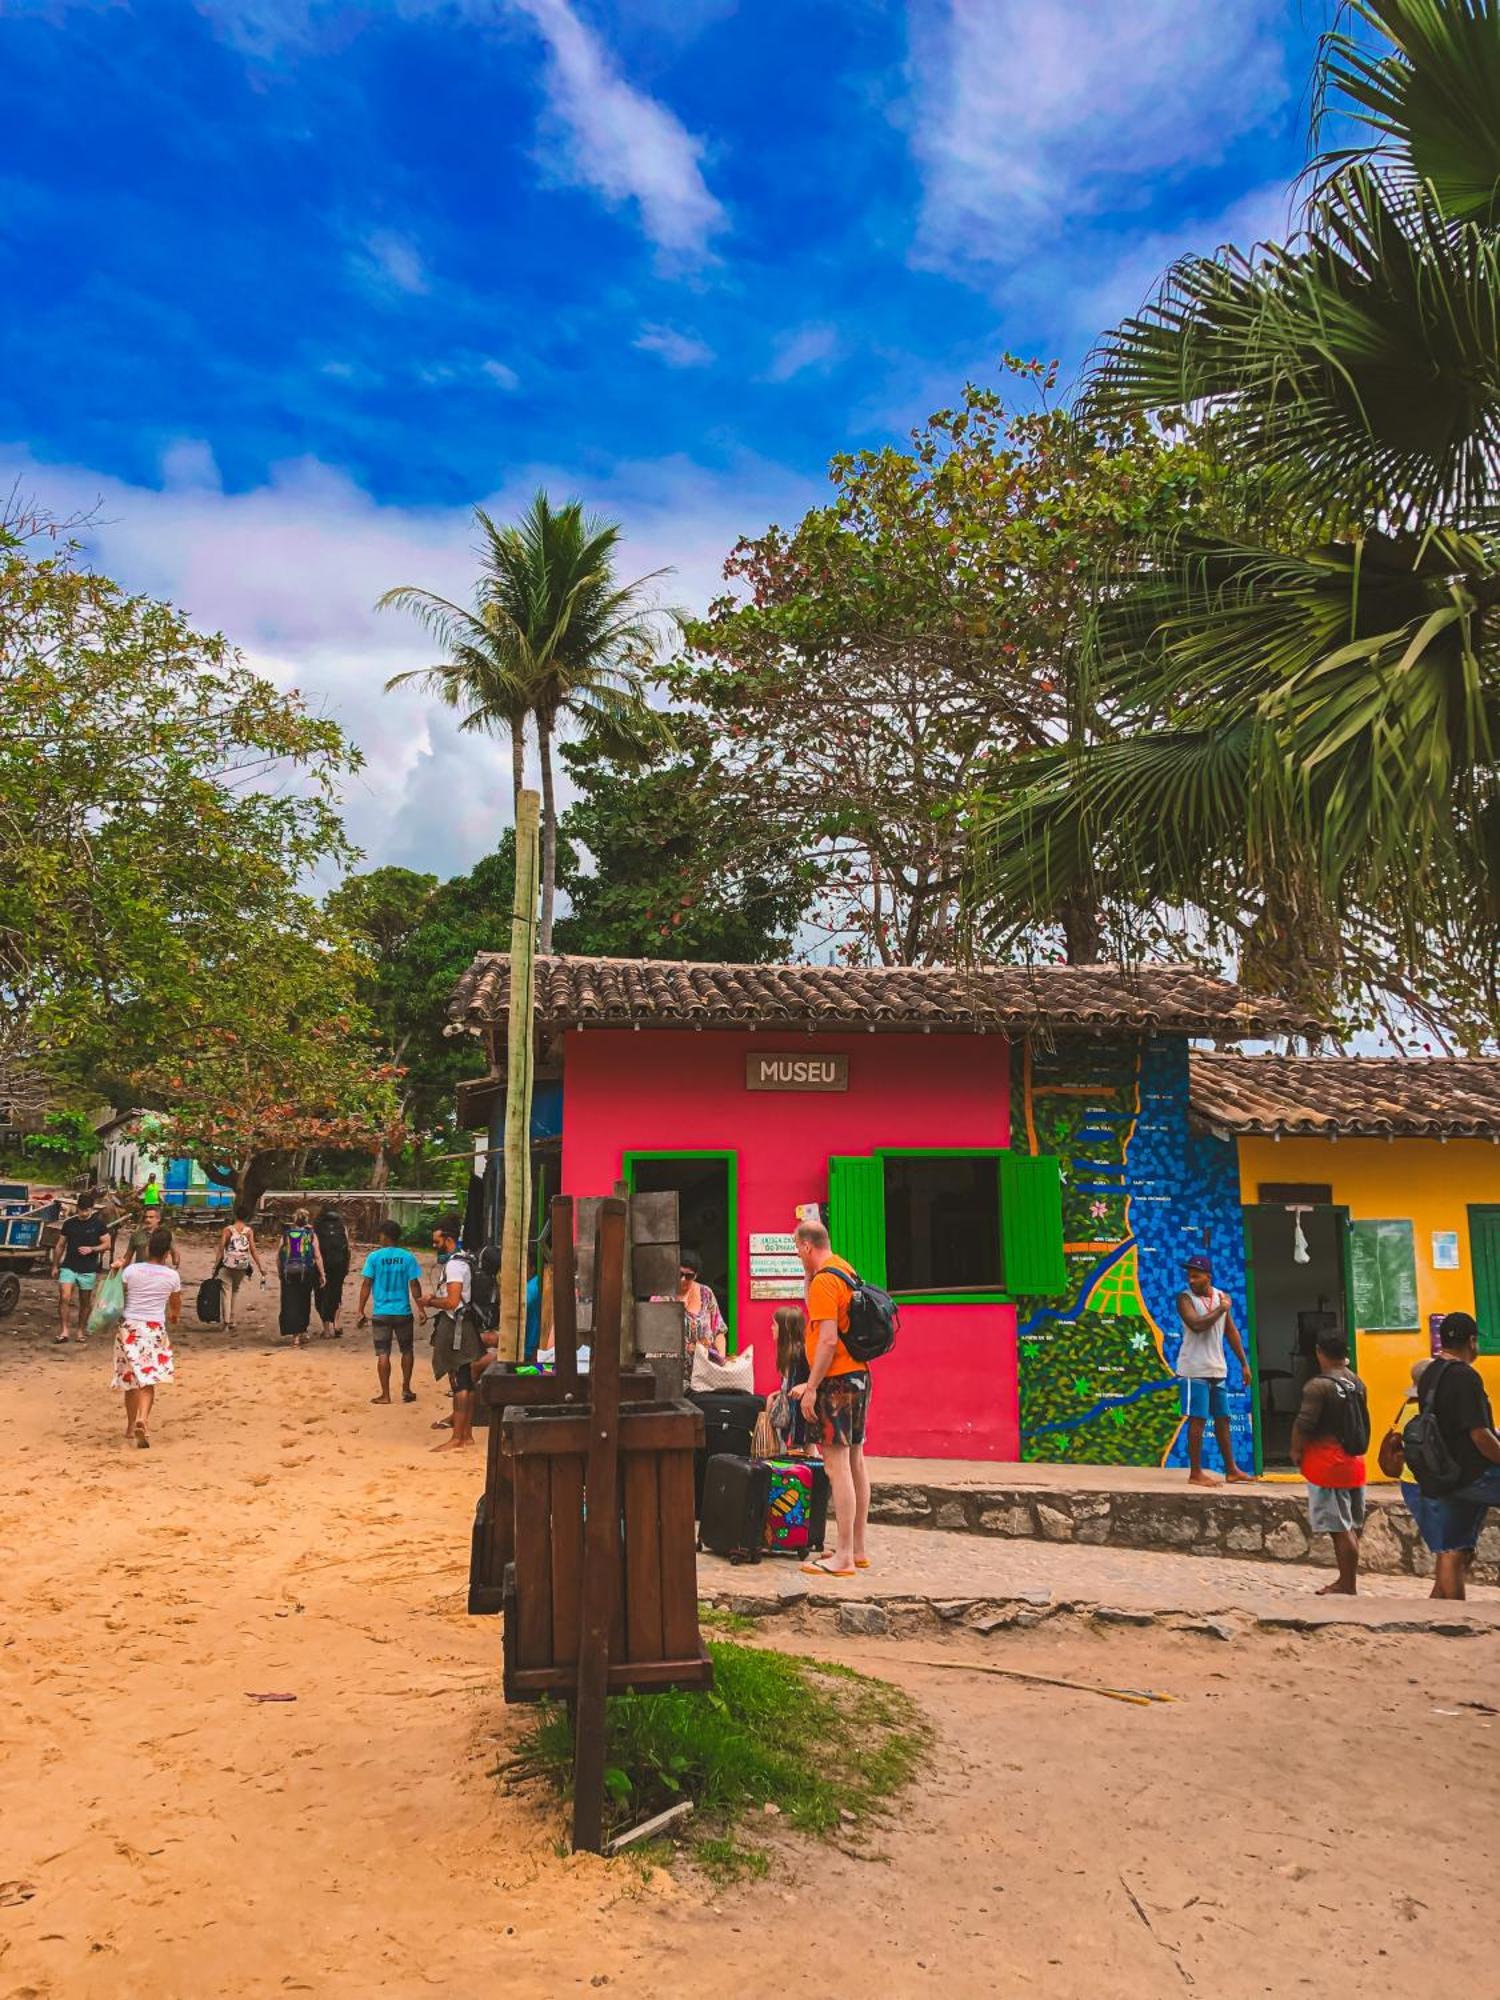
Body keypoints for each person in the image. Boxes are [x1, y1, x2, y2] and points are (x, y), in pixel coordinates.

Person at [792, 1219, 871, 1577]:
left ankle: (841, 1557)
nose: (797, 1256)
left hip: (836, 1382)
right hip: (859, 1375)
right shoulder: (844, 1270)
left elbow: (826, 1340)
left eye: (797, 1250)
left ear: (807, 1247)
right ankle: (857, 1549)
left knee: (836, 1466)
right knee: (856, 1460)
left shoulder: (825, 1281)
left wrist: (811, 1386)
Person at [1404, 1312, 1500, 1600]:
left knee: (1452, 1550)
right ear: (1472, 1341)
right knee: (1454, 1549)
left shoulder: (1430, 1373)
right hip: (1473, 1474)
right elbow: (1480, 1435)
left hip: (1444, 1473)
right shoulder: (1466, 1376)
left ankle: (1449, 1616)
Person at [1289, 1331, 1370, 1595]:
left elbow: (1305, 1423)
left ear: (1319, 1352)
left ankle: (1346, 1584)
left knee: (1340, 1528)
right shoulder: (1357, 1382)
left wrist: (1295, 1450)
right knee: (1350, 1526)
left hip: (1328, 1465)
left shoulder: (1318, 1386)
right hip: (1354, 1462)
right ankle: (1348, 1581)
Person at [1175, 1254, 1254, 1486]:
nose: (1191, 1280)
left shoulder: (1221, 1297)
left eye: (1196, 1276)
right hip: (1193, 1368)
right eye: (1189, 1276)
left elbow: (1230, 1331)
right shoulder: (1184, 1299)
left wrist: (1243, 1363)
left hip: (1217, 1368)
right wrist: (1221, 1309)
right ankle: (1195, 1473)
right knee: (1198, 1420)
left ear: (1208, 1276)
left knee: (1223, 1419)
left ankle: (1231, 1470)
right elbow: (1197, 1325)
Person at [112, 1225, 181, 1448]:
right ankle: (143, 1418)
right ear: (167, 1251)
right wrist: (174, 1316)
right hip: (154, 1329)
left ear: (149, 1248)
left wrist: (115, 1269)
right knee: (148, 1379)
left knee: (130, 1379)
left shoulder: (132, 1271)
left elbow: (117, 1290)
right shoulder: (172, 1276)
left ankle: (131, 1425)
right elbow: (175, 1304)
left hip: (130, 1327)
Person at [423, 1214, 481, 1451]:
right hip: (465, 1323)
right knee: (466, 1380)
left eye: (437, 1242)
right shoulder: (465, 1259)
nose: (435, 1246)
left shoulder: (455, 1265)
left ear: (448, 1239)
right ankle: (466, 1435)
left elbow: (452, 1301)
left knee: (460, 1382)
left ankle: (457, 1437)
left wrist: (430, 1301)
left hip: (458, 1326)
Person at [357, 1220, 426, 1405]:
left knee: (383, 1353)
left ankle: (385, 1394)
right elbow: (414, 1285)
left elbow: (366, 1284)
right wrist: (421, 1308)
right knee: (407, 1350)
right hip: (403, 1311)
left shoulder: (374, 1257)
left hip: (381, 1311)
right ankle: (406, 1388)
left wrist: (360, 1309)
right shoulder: (408, 1257)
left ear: (385, 1236)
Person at [51, 1190, 110, 1343]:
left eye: (87, 1210)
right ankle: (64, 1330)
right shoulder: (69, 1224)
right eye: (81, 1210)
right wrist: (55, 1265)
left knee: (85, 1301)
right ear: (77, 1208)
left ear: (92, 1209)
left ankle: (80, 1330)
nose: (84, 1213)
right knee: (64, 1297)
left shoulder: (99, 1225)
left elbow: (107, 1244)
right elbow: (60, 1245)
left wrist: (93, 1249)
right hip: (69, 1266)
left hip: (88, 1268)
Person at [767, 1303, 814, 1456]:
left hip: (802, 1422)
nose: (771, 1328)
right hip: (797, 1421)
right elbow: (789, 1387)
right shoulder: (788, 1357)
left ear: (785, 1329)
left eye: (775, 1325)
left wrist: (806, 1386)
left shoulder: (801, 1355)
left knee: (807, 1454)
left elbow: (817, 1380)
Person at [277, 1207, 325, 1349]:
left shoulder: (286, 1234)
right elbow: (317, 1255)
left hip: (289, 1273)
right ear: (307, 1220)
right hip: (306, 1272)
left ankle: (295, 1336)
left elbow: (278, 1255)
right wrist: (322, 1274)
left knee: (291, 1302)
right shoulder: (311, 1235)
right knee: (304, 1301)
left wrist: (280, 1271)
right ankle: (302, 1331)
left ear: (294, 1219)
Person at [677, 1252, 727, 1374]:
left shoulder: (706, 1294)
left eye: (688, 1276)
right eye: (679, 1274)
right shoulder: (662, 1295)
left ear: (696, 1276)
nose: (683, 1279)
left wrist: (721, 1359)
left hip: (703, 1372)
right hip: (669, 1372)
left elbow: (718, 1331)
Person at [217, 1214, 266, 1329]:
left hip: (228, 1264)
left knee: (226, 1291)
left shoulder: (228, 1230)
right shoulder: (248, 1231)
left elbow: (221, 1249)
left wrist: (216, 1266)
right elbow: (253, 1250)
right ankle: (232, 1318)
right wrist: (260, 1267)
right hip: (242, 1266)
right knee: (235, 1290)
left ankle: (226, 1320)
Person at [313, 1203, 352, 1339]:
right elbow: (347, 1246)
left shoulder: (317, 1225)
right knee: (337, 1292)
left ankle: (326, 1329)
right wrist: (347, 1265)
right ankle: (336, 1323)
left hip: (322, 1265)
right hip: (339, 1264)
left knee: (321, 1295)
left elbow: (315, 1249)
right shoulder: (341, 1225)